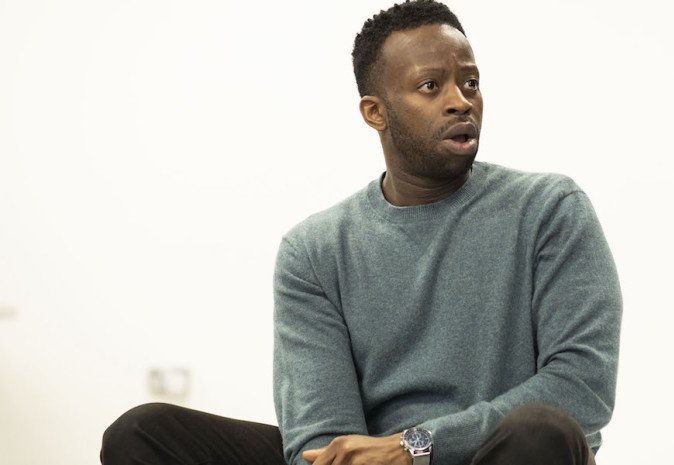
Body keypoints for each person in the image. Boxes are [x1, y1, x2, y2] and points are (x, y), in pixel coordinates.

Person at [100, 1, 621, 465]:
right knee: (145, 433)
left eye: (471, 82)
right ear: (376, 112)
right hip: (374, 463)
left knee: (540, 429)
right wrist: (383, 453)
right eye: (430, 86)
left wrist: (417, 446)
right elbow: (322, 440)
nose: (461, 101)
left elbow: (582, 390)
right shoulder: (316, 251)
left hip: (495, 455)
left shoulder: (549, 209)